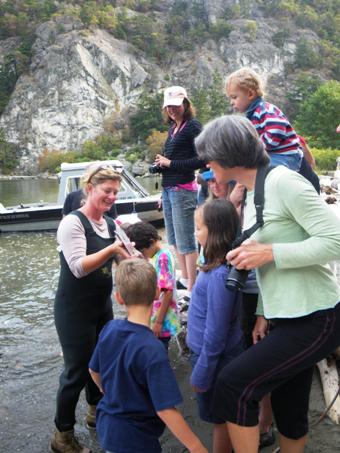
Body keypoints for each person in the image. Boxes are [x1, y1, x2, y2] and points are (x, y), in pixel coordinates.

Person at [195, 114, 340, 453]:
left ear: (227, 154)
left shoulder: (284, 182)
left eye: (210, 157)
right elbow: (266, 262)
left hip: (319, 315)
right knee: (290, 404)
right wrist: (263, 311)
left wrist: (271, 253)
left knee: (233, 384)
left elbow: (336, 240)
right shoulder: (253, 190)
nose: (207, 164)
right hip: (287, 316)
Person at [88, 259, 208, 453]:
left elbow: (93, 370)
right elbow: (165, 408)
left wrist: (106, 389)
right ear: (156, 293)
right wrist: (195, 446)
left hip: (107, 426)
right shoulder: (152, 349)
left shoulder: (109, 329)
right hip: (136, 438)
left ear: (118, 298)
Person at [51, 164, 130, 453]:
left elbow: (125, 257)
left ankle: (95, 412)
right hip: (74, 310)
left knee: (101, 361)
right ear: (89, 189)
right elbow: (78, 268)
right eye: (106, 191)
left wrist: (137, 263)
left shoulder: (109, 223)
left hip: (101, 305)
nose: (112, 197)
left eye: (115, 192)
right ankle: (62, 434)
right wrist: (111, 250)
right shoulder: (72, 223)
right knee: (76, 371)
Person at [201, 169, 275, 449]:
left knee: (257, 363)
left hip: (253, 293)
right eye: (209, 180)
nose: (213, 184)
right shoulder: (213, 210)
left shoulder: (252, 205)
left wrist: (262, 312)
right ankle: (241, 426)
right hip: (232, 292)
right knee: (238, 362)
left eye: (217, 178)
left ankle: (264, 424)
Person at [186, 199, 244, 453]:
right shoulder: (215, 266)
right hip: (213, 356)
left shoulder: (220, 275)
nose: (194, 233)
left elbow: (217, 332)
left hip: (216, 359)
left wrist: (202, 370)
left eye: (198, 228)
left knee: (220, 417)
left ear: (215, 231)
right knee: (220, 415)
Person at [225, 67, 320, 192]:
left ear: (250, 94)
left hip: (285, 155)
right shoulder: (252, 116)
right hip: (272, 154)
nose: (231, 102)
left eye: (234, 97)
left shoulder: (265, 109)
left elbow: (277, 129)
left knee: (267, 174)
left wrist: (257, 148)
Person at [150, 86, 204, 292]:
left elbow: (203, 159)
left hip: (183, 188)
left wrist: (170, 163)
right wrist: (161, 165)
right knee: (173, 239)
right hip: (169, 189)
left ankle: (193, 287)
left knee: (186, 240)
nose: (172, 110)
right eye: (168, 106)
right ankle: (187, 279)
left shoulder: (193, 126)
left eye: (175, 105)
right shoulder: (173, 129)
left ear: (185, 104)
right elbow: (172, 160)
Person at [125, 221, 180, 351]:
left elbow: (167, 291)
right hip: (156, 314)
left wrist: (158, 322)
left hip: (162, 317)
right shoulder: (156, 255)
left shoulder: (163, 258)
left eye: (142, 251)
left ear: (152, 241)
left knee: (158, 350)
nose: (141, 255)